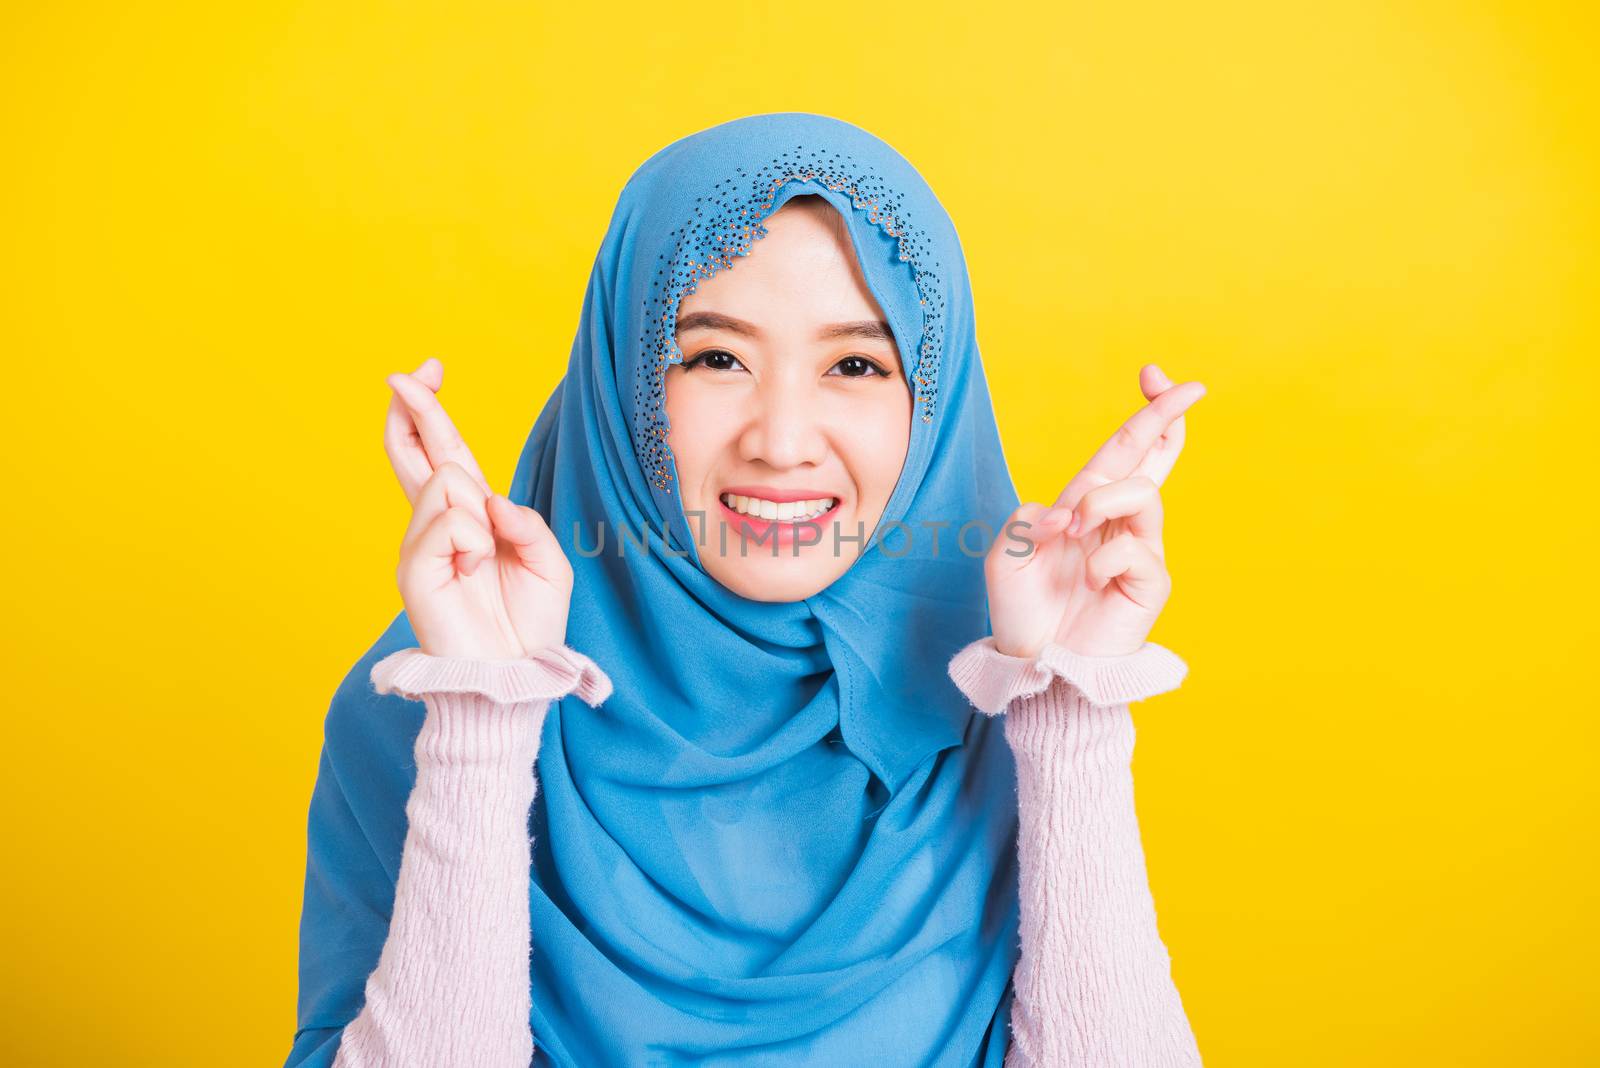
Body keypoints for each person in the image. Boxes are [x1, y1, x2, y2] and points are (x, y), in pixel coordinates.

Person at [284, 112, 1208, 1068]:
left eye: (855, 364)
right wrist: (482, 716)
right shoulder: (423, 701)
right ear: (623, 380)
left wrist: (1069, 715)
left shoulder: (1006, 700)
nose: (781, 439)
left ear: (931, 403)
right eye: (716, 357)